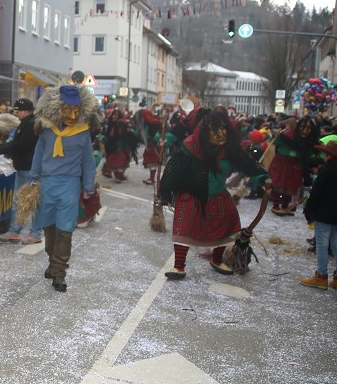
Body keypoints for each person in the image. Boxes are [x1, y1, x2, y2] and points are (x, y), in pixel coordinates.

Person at [159, 109, 270, 279]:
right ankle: (178, 266)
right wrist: (165, 191)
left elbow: (248, 164)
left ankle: (217, 259)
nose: (220, 134)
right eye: (215, 129)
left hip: (218, 194)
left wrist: (263, 178)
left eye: (223, 128)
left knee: (227, 224)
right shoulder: (190, 147)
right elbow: (174, 169)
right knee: (184, 227)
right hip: (191, 194)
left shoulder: (230, 150)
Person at [28, 85, 100, 292]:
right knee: (49, 227)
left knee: (65, 229)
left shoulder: (83, 132)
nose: (71, 114)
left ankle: (59, 273)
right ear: (59, 108)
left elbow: (88, 161)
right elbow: (38, 154)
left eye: (75, 109)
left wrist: (88, 185)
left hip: (69, 184)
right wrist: (33, 177)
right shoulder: (47, 129)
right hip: (47, 184)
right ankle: (52, 260)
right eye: (67, 109)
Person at [301, 140, 337, 291]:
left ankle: (321, 276)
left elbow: (316, 193)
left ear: (329, 155)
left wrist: (309, 211)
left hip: (324, 213)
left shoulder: (327, 169)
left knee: (322, 244)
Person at [0, 97, 41, 244]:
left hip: (30, 168)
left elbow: (22, 145)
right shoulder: (25, 124)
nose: (16, 113)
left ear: (26, 111)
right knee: (19, 200)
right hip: (23, 167)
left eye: (18, 111)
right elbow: (18, 144)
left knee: (32, 201)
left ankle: (34, 233)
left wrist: (3, 149)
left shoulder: (31, 124)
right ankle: (15, 231)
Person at [269, 116, 318, 215]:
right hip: (282, 161)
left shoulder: (310, 142)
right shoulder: (286, 136)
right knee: (279, 183)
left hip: (296, 163)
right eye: (303, 127)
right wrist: (276, 136)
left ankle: (285, 206)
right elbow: (274, 142)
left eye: (308, 128)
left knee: (291, 185)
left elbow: (310, 153)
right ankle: (276, 205)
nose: (305, 131)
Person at [136, 102, 165, 185]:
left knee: (152, 161)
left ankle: (152, 179)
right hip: (151, 145)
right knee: (151, 161)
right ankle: (151, 178)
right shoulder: (149, 123)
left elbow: (159, 134)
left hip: (154, 145)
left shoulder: (155, 123)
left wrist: (155, 141)